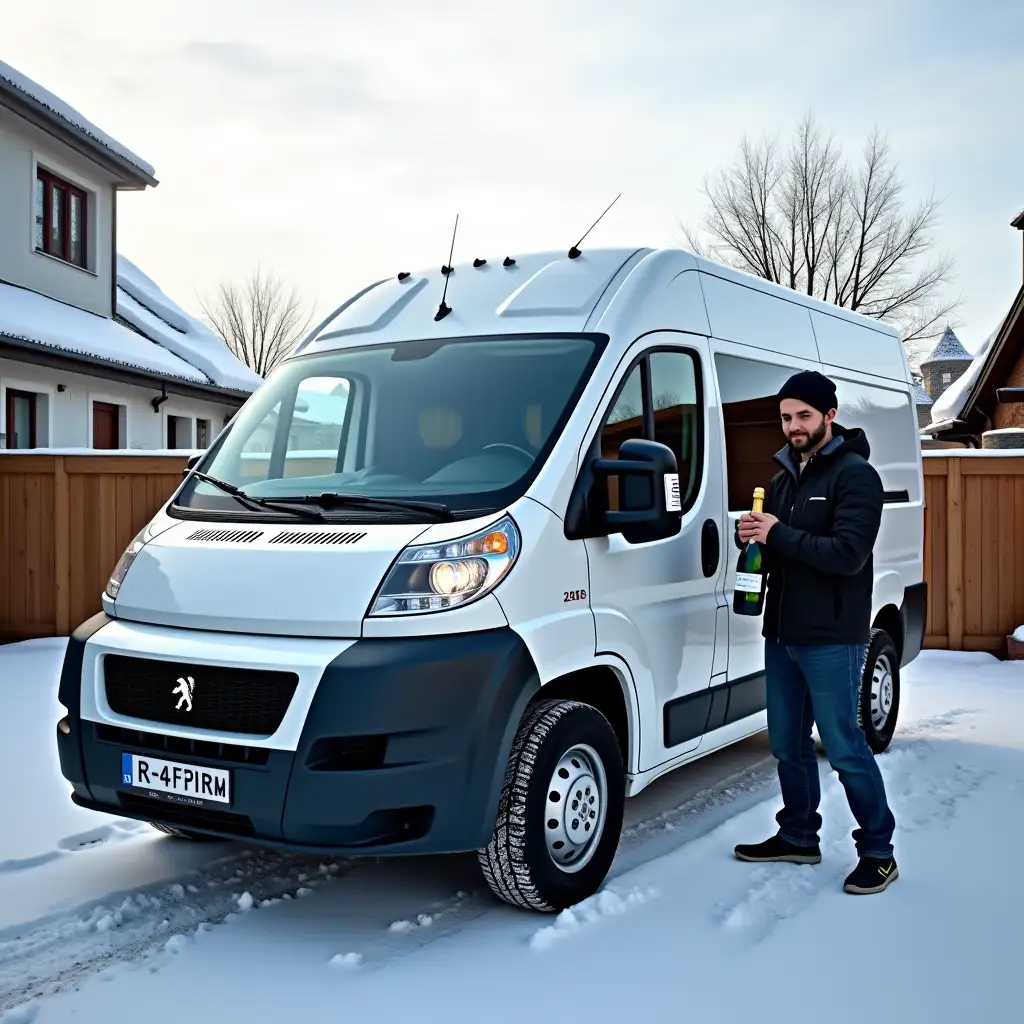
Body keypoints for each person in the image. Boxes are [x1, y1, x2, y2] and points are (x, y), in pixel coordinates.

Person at [733, 369, 898, 895]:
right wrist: (753, 542)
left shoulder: (855, 476)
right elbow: (778, 552)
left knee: (845, 747)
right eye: (786, 417)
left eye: (804, 415)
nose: (793, 426)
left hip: (832, 636)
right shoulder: (782, 480)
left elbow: (847, 556)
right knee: (786, 743)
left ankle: (879, 852)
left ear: (830, 415)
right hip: (781, 633)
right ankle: (799, 835)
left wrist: (778, 533)